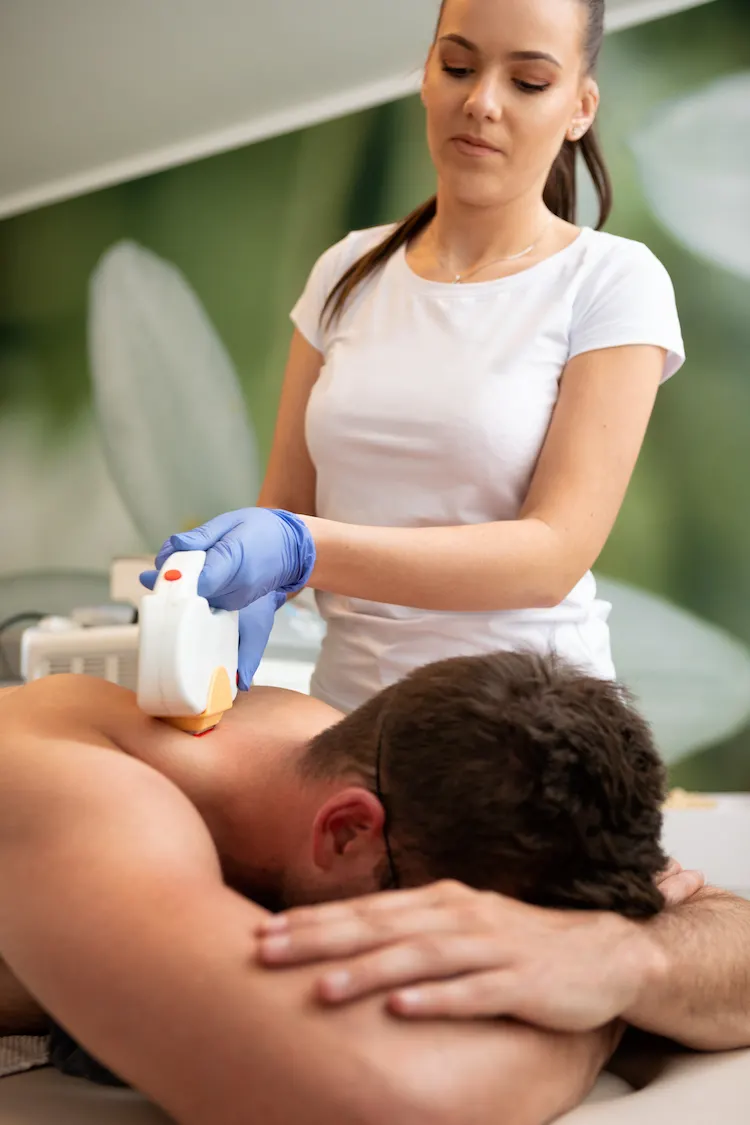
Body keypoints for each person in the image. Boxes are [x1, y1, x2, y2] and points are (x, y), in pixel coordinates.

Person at [143, 0, 685, 712]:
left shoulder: (612, 281)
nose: (481, 102)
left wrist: (301, 546)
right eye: (458, 66)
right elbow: (286, 507)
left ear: (580, 107)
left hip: (524, 727)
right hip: (344, 715)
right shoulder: (346, 271)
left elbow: (550, 557)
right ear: (425, 75)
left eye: (527, 82)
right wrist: (226, 583)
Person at [0, 649, 747, 1125]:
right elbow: (377, 1100)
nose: (498, 954)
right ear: (348, 832)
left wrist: (618, 958)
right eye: (459, 924)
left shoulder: (407, 778)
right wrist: (595, 1014)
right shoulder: (82, 793)